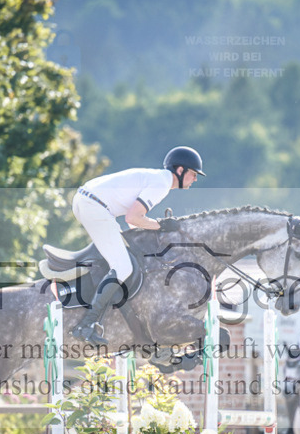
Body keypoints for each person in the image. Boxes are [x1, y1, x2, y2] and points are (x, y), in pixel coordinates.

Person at [70, 146, 205, 345]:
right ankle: (86, 324)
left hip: (90, 202)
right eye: (193, 174)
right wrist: (161, 226)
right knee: (123, 267)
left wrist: (157, 228)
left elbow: (134, 223)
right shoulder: (161, 183)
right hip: (94, 206)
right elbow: (133, 217)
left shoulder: (158, 179)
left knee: (129, 258)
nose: (195, 179)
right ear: (180, 170)